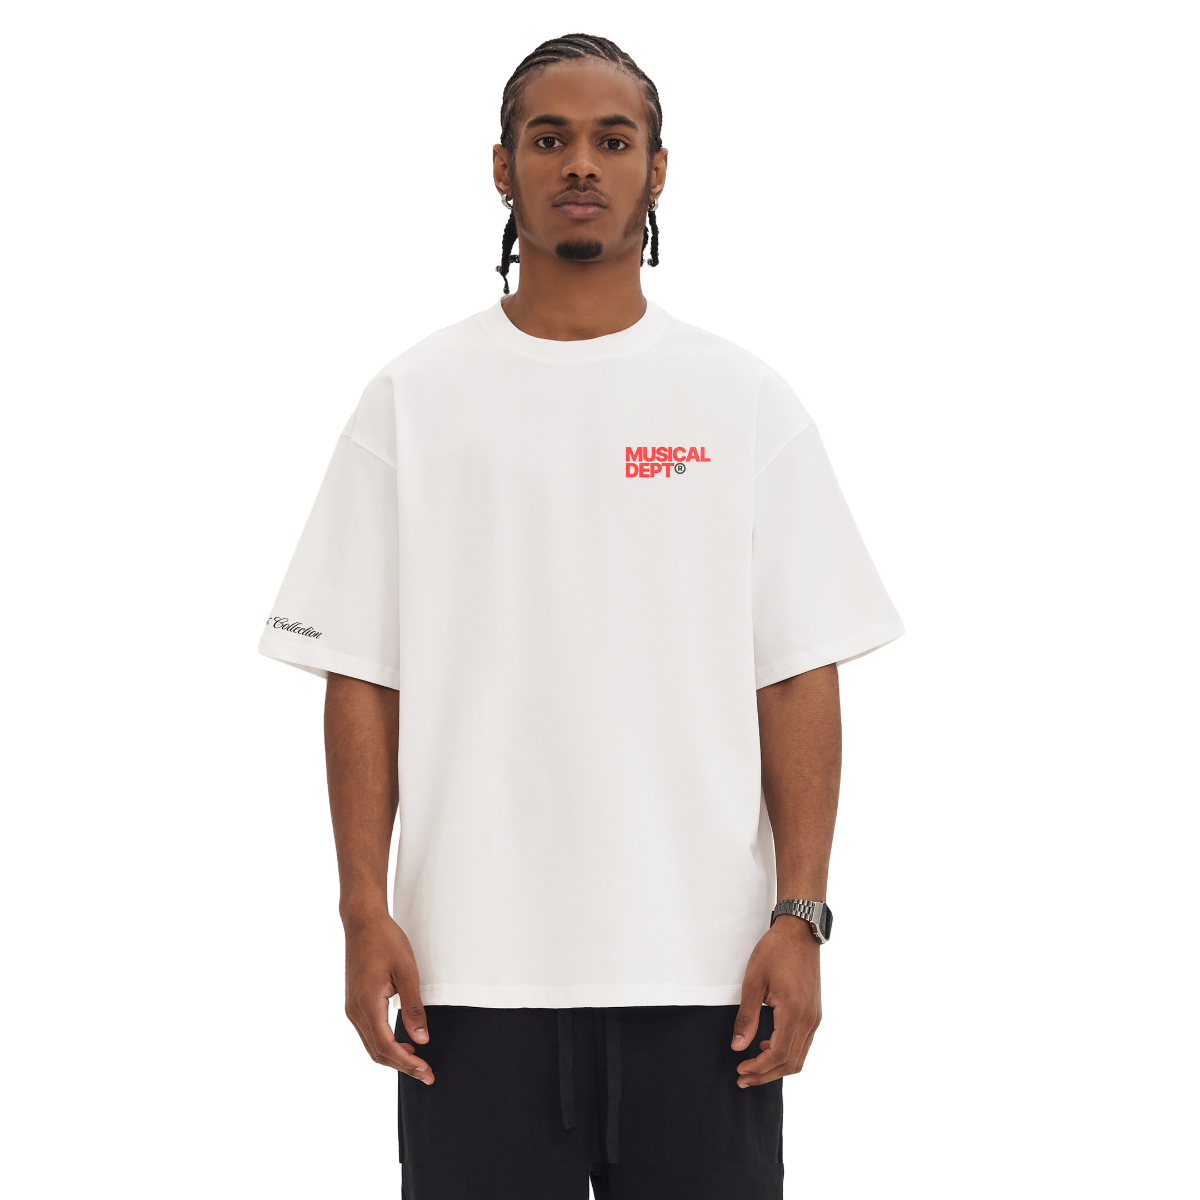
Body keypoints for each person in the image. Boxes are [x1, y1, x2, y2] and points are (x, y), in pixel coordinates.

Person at [258, 32, 905, 1200]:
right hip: (466, 974)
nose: (581, 163)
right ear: (500, 169)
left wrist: (801, 917)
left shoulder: (744, 400)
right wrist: (361, 912)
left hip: (708, 977)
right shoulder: (411, 400)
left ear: (658, 171)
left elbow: (799, 672)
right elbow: (360, 675)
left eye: (613, 139)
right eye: (549, 137)